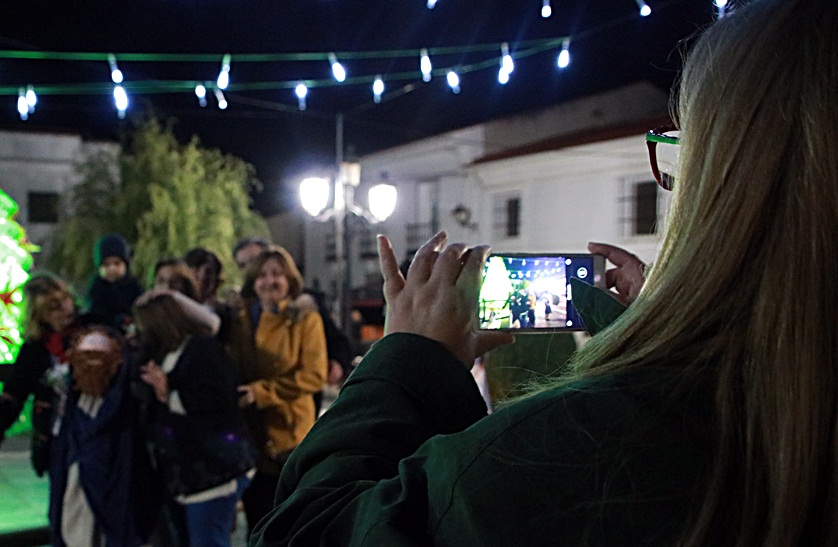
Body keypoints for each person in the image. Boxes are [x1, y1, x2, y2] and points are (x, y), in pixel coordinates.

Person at [252, 1, 838, 544]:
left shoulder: (588, 444)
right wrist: (657, 330)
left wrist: (409, 358)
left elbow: (305, 530)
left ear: (722, 181)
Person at [0, 274, 157, 546]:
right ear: (40, 315)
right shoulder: (36, 350)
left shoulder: (96, 329)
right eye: (53, 308)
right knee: (68, 505)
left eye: (65, 302)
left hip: (103, 433)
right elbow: (12, 395)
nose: (64, 311)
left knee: (107, 503)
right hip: (60, 438)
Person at [135, 291, 258, 547]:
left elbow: (219, 402)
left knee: (208, 540)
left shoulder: (202, 350)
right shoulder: (160, 355)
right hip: (185, 473)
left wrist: (169, 394)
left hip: (214, 468)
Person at [228, 245, 327, 535]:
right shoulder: (240, 319)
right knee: (257, 525)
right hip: (251, 438)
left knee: (292, 525)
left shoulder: (303, 318)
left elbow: (314, 375)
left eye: (277, 274)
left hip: (290, 435)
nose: (269, 281)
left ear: (290, 280)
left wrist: (261, 393)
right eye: (262, 275)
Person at [232, 238, 352, 397]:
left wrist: (337, 364)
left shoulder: (306, 307)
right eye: (242, 265)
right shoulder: (240, 314)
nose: (249, 268)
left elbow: (336, 341)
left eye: (254, 260)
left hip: (296, 406)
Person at [84, 233, 144, 333]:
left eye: (117, 263)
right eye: (106, 265)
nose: (112, 269)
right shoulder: (97, 287)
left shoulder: (133, 285)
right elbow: (95, 313)